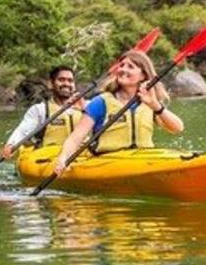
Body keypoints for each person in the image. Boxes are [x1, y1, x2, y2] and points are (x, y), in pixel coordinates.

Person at [54, 49, 184, 173]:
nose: (123, 69)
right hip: (108, 160)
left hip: (143, 158)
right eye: (122, 65)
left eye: (130, 67)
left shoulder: (149, 101)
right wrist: (63, 158)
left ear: (143, 75)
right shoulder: (101, 102)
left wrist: (155, 105)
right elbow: (75, 138)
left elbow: (178, 128)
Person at [0, 65, 84, 159]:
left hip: (82, 156)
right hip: (49, 157)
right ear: (51, 84)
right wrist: (11, 144)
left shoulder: (88, 106)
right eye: (61, 80)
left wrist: (84, 109)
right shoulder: (40, 110)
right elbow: (23, 131)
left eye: (70, 81)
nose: (66, 84)